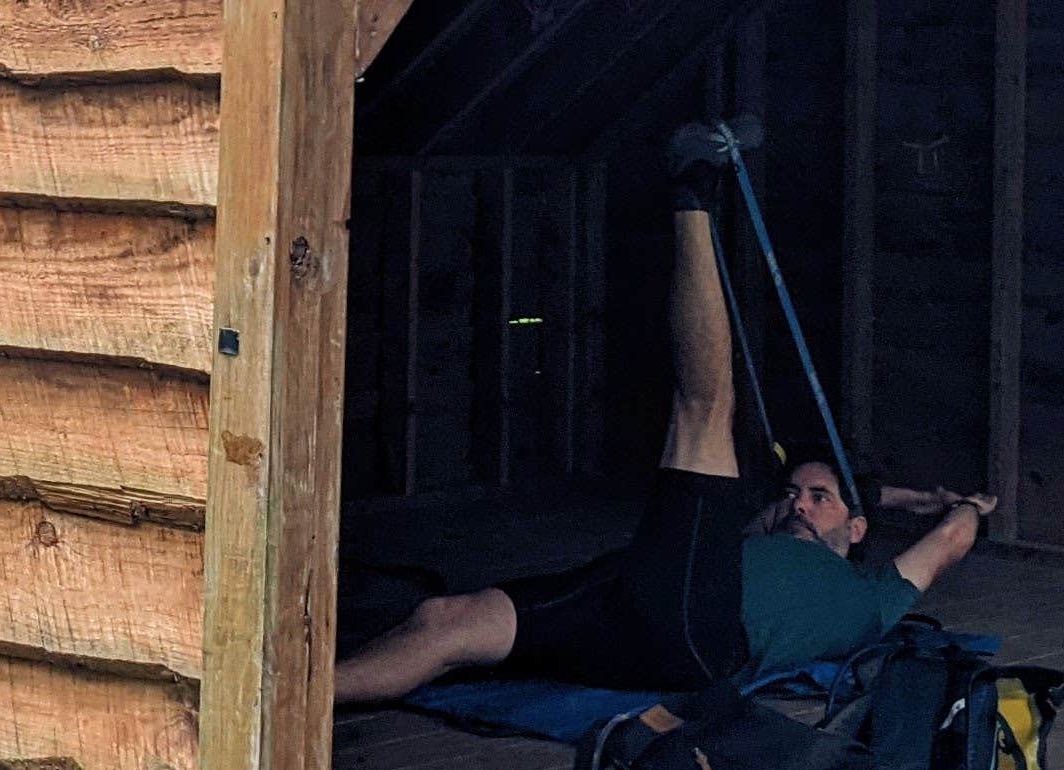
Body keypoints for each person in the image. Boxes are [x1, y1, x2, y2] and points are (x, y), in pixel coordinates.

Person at [333, 120, 992, 707]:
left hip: (707, 630)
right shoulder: (751, 538)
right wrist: (902, 497)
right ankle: (293, 700)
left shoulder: (872, 597)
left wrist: (967, 507)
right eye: (793, 492)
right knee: (444, 620)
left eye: (819, 498)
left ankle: (690, 186)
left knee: (705, 409)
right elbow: (834, 502)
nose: (798, 503)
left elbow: (950, 541)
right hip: (634, 602)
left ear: (856, 529)